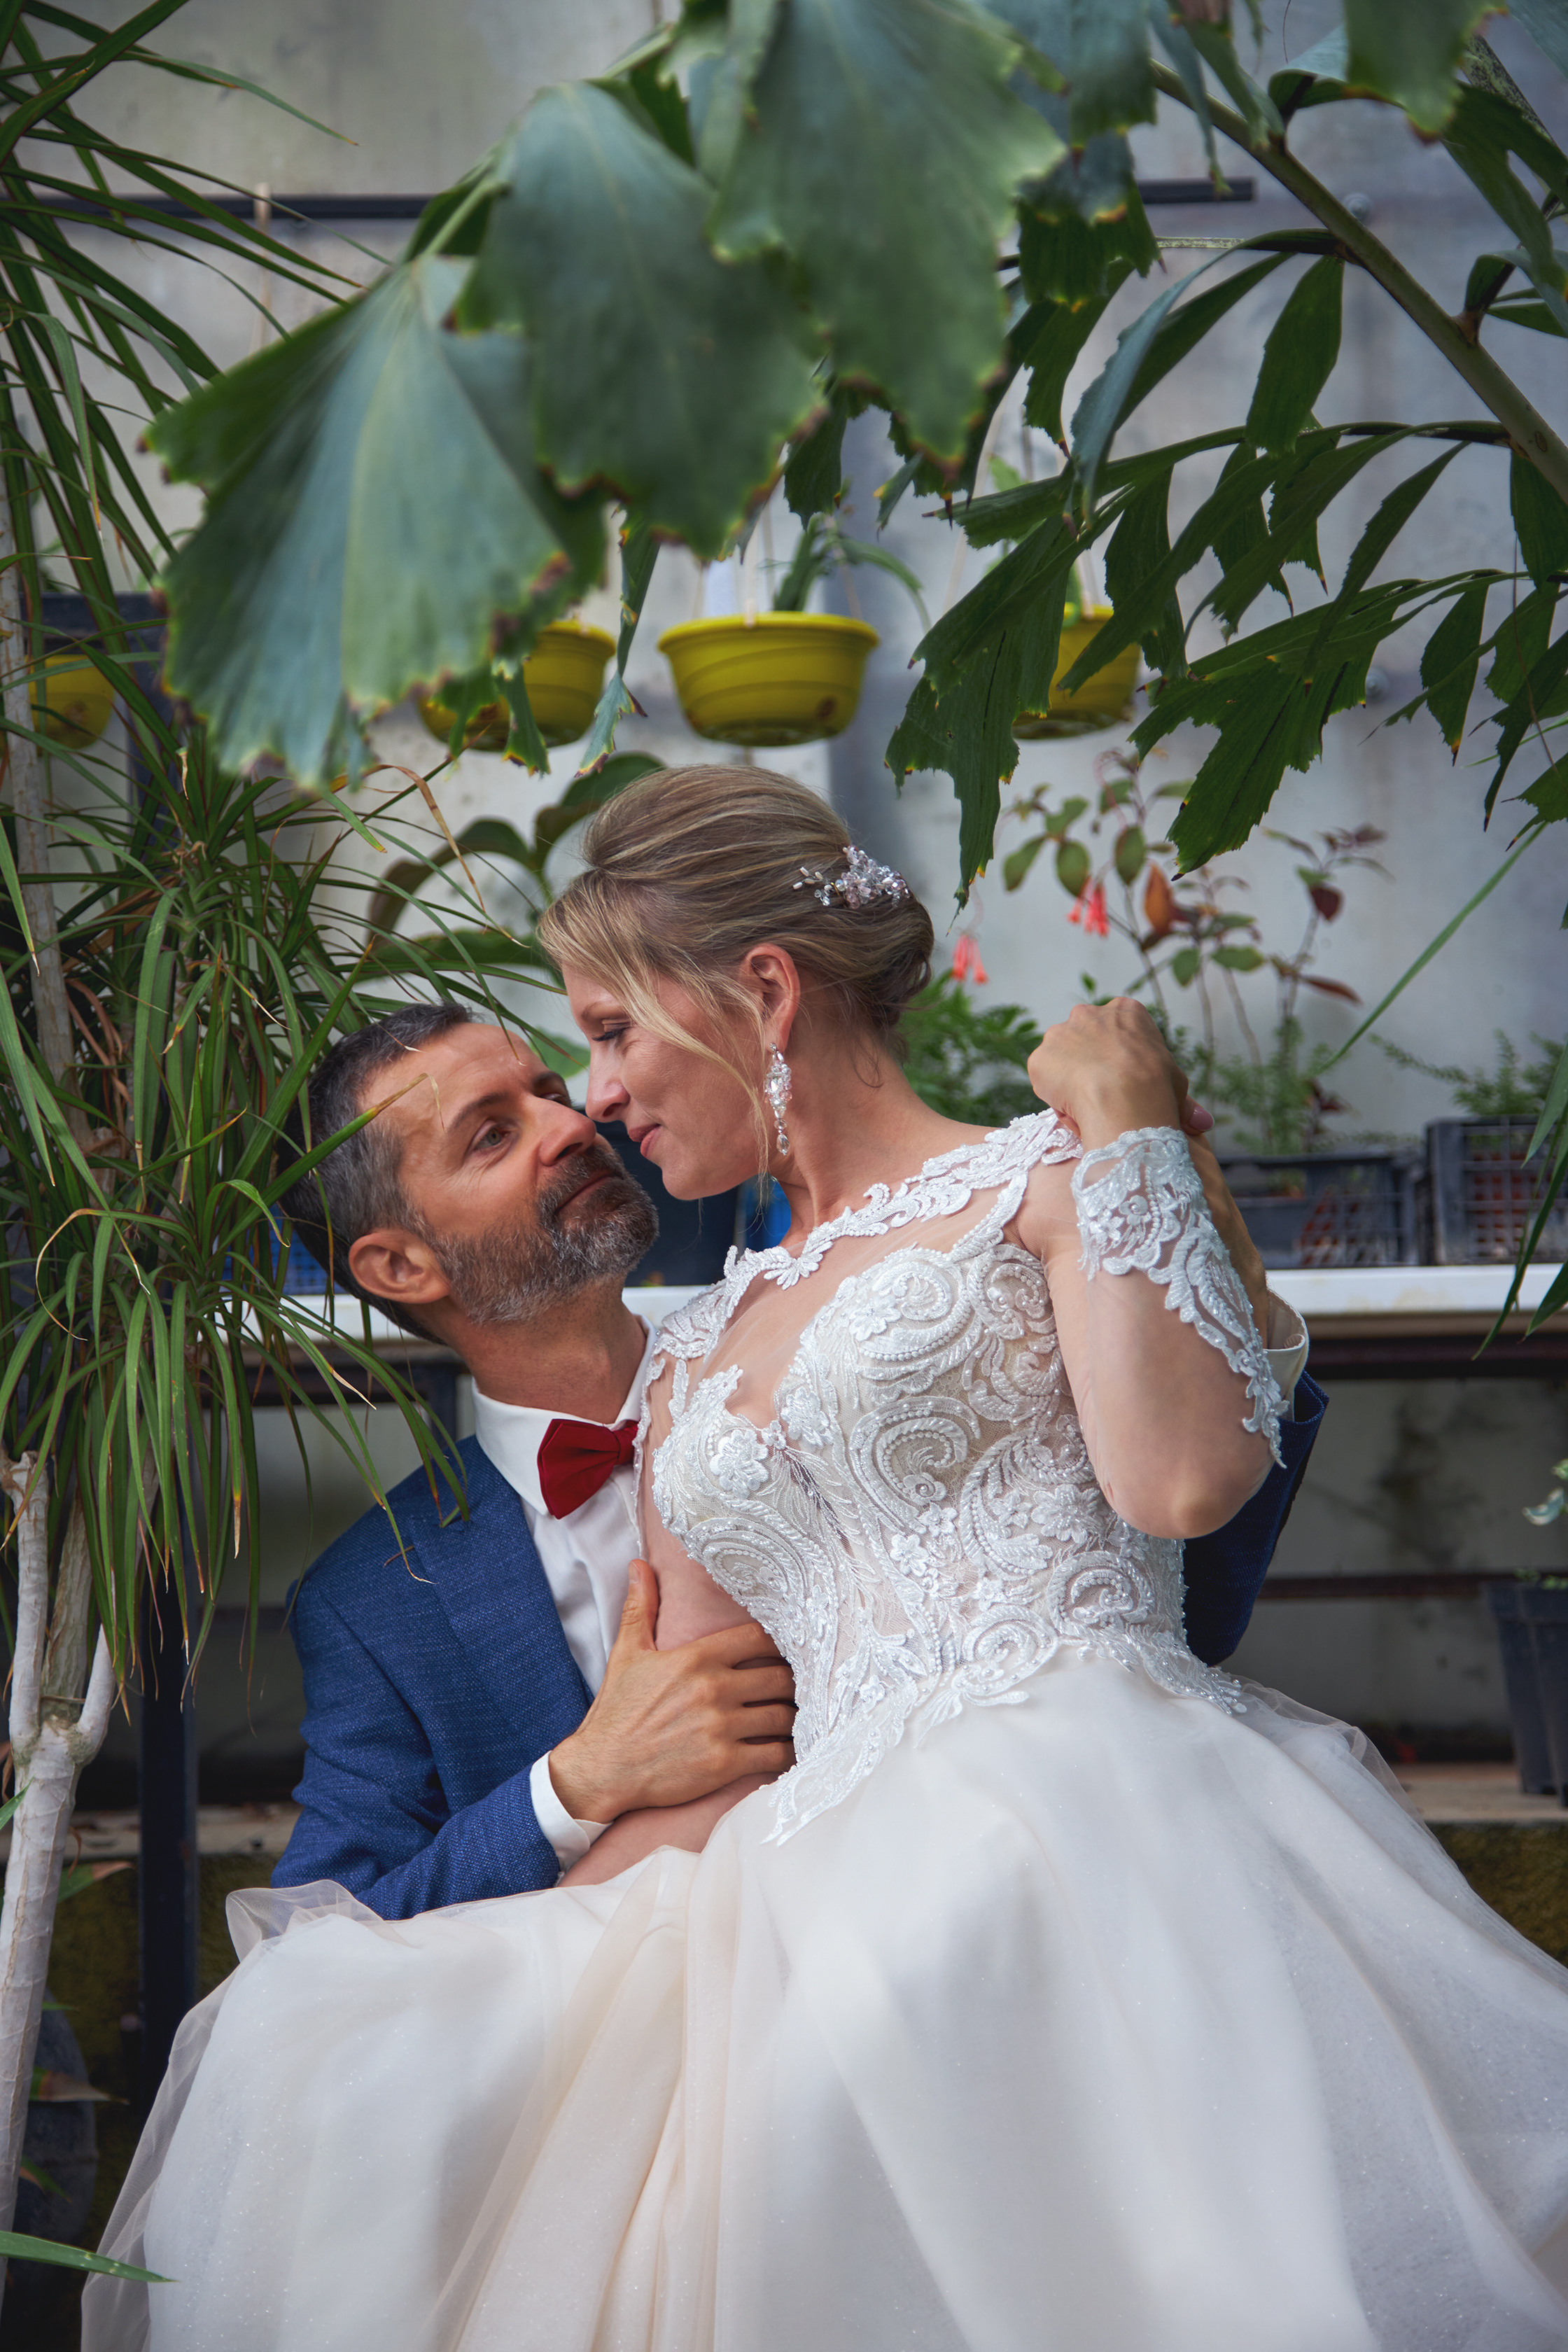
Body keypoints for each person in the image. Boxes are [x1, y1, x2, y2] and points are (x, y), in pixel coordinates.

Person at [87, 768, 1568, 2351]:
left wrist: (1142, 1151)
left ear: (763, 995)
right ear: (396, 1262)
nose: (594, 1101)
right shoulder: (700, 1356)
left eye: (597, 1039)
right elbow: (707, 1768)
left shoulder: (1040, 1185)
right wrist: (445, 1984)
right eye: (510, 1113)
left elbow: (1182, 1488)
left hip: (1106, 1827)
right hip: (813, 1888)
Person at [263, 1003, 1320, 1919]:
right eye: (492, 1136)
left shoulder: (864, 1339)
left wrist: (1223, 1296)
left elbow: (1174, 1617)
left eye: (549, 1089)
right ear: (398, 1264)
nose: (572, 1124)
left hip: (1039, 1893)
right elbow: (331, 1936)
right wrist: (573, 1785)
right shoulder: (376, 1599)